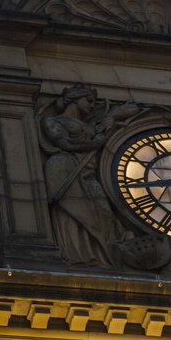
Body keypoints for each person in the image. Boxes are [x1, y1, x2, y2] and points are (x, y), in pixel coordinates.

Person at [42, 86, 126, 266]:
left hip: (87, 173)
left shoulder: (90, 126)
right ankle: (79, 256)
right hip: (66, 169)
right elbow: (63, 142)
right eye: (88, 100)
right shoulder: (53, 121)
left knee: (103, 211)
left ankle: (104, 257)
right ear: (74, 98)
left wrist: (112, 119)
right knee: (73, 212)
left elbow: (126, 112)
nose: (92, 105)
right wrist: (95, 142)